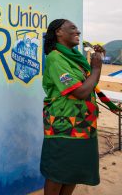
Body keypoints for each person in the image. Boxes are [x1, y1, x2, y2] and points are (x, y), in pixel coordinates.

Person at [40, 19, 103, 195]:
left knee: (73, 171)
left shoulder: (76, 59)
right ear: (59, 32)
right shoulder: (55, 58)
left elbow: (88, 85)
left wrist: (94, 65)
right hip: (64, 125)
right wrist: (96, 69)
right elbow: (81, 92)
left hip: (84, 125)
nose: (78, 32)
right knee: (58, 172)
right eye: (73, 28)